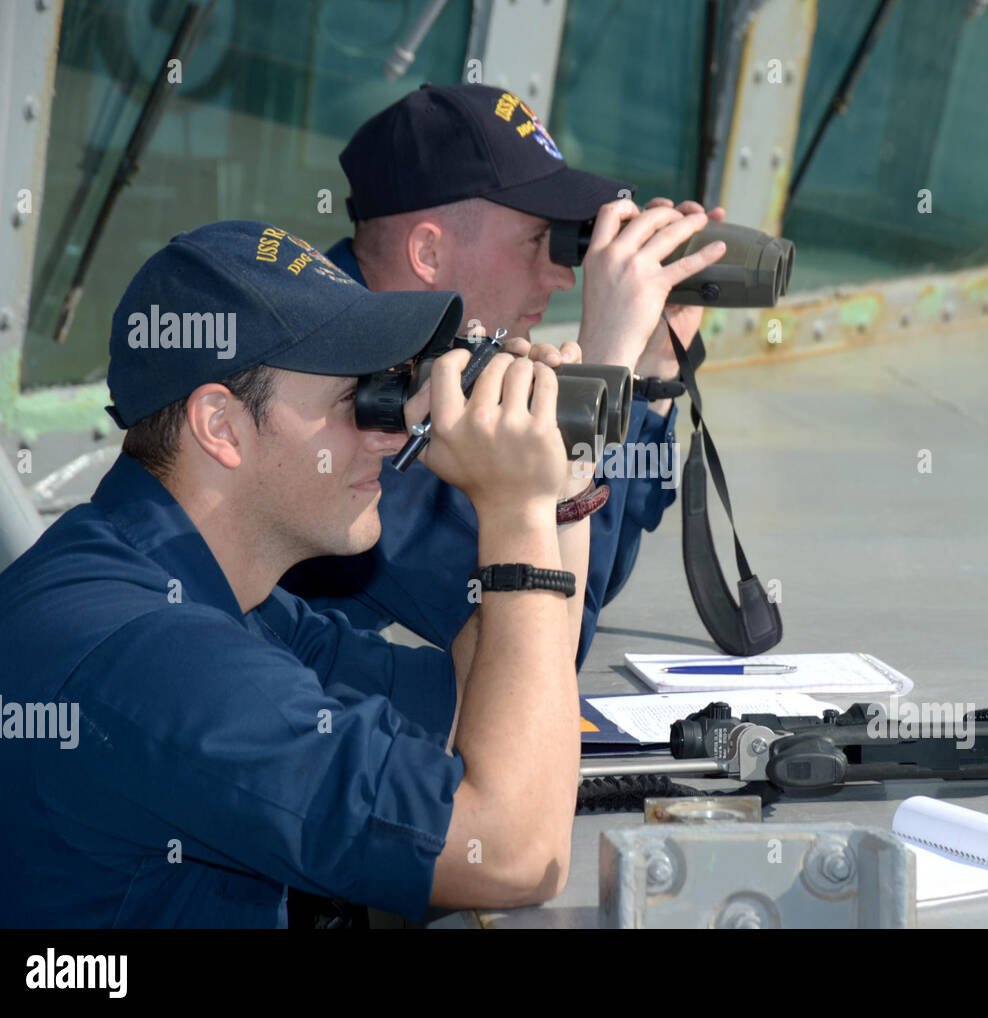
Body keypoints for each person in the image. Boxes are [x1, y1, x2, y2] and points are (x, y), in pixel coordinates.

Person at [0, 220, 590, 927]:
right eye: (355, 397)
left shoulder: (207, 591)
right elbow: (512, 853)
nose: (390, 434)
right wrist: (515, 514)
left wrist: (556, 498)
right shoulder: (156, 655)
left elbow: (470, 703)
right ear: (221, 426)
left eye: (389, 388)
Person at [283, 83, 726, 666]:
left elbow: (588, 561)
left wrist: (648, 373)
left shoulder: (428, 353)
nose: (563, 277)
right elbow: (540, 646)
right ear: (429, 253)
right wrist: (600, 366)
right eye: (539, 240)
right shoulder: (335, 388)